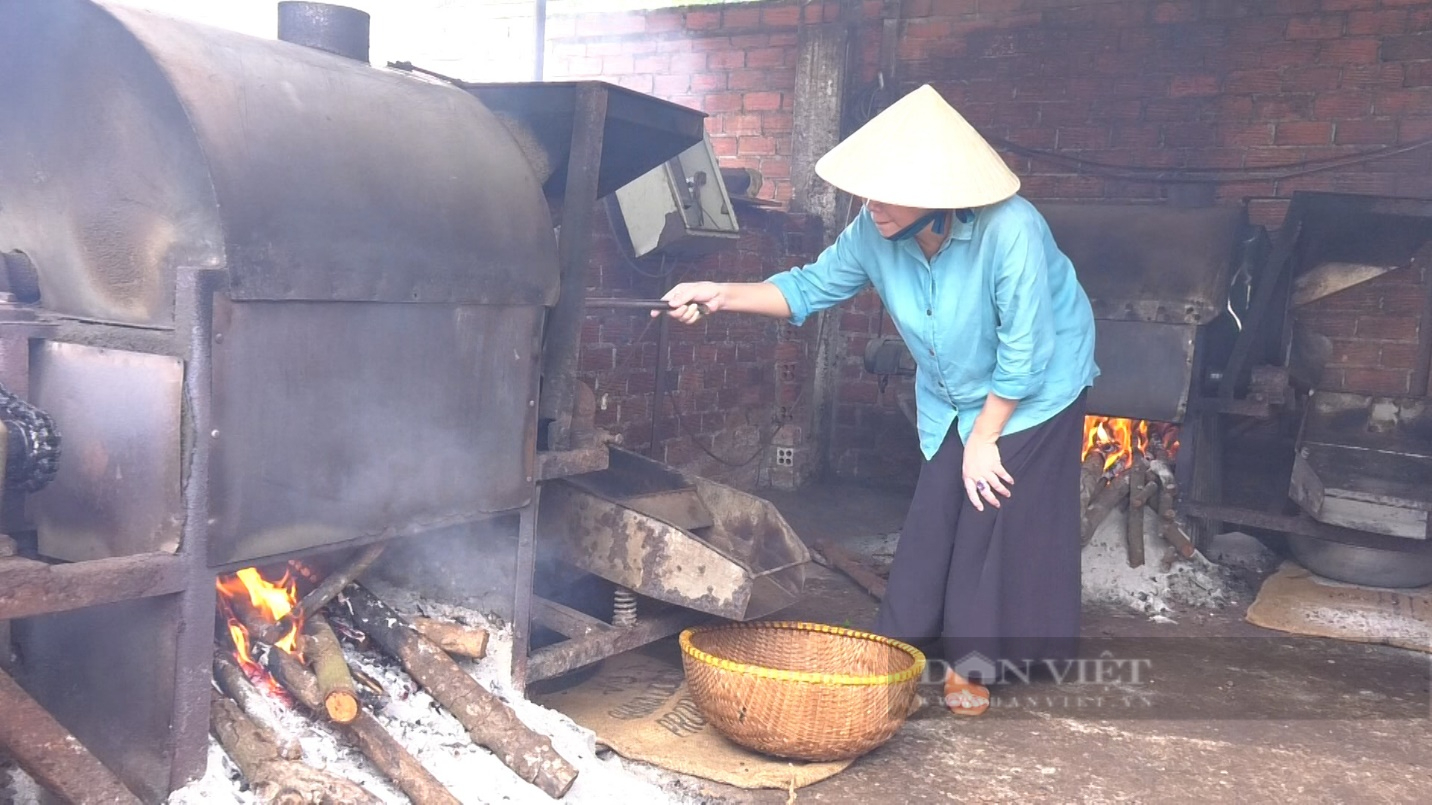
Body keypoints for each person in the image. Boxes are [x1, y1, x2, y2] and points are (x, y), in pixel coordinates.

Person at [657, 84, 1098, 716]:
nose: (869, 205)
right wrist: (719, 292)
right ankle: (897, 648)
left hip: (1037, 386)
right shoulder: (875, 230)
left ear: (941, 193)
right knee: (934, 508)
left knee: (989, 509)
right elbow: (809, 287)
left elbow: (1025, 351)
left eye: (886, 191)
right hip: (955, 388)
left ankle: (979, 664)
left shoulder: (1013, 230)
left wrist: (983, 439)